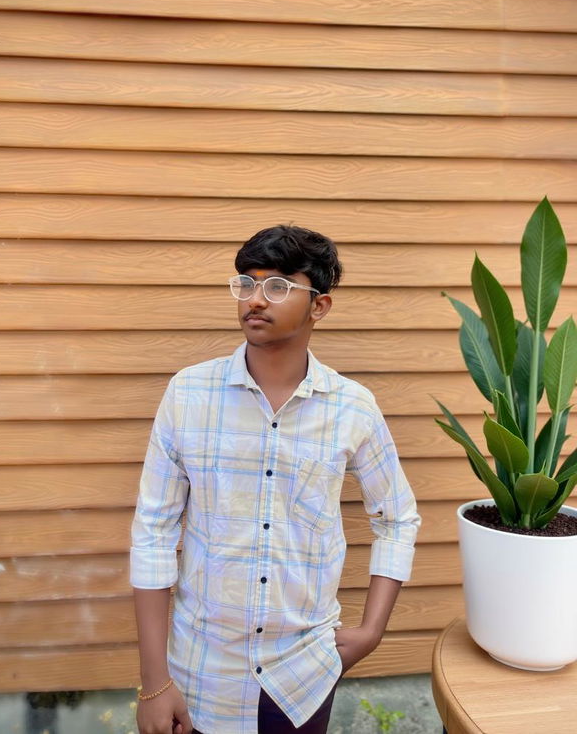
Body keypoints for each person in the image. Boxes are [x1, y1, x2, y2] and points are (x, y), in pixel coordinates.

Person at [130, 225, 421, 734]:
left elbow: (397, 518)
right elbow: (153, 533)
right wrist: (155, 683)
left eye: (279, 285)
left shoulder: (353, 407)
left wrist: (372, 631)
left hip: (303, 673)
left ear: (320, 306)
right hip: (201, 670)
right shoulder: (189, 395)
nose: (254, 299)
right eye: (246, 282)